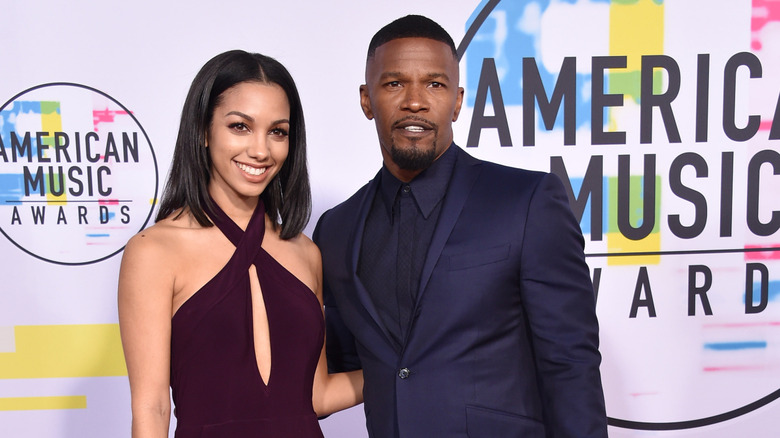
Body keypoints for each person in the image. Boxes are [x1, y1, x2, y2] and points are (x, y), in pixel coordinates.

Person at [313, 15, 608, 437]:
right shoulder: (337, 229)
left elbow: (570, 362)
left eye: (434, 84)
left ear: (457, 100)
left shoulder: (527, 201)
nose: (415, 101)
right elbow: (342, 363)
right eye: (394, 83)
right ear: (366, 99)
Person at [118, 50, 362, 438]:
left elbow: (315, 395)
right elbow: (152, 406)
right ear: (203, 129)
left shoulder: (304, 252)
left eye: (277, 132)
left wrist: (402, 369)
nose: (261, 151)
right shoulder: (154, 252)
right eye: (240, 127)